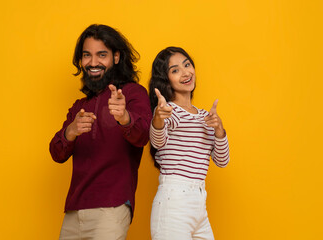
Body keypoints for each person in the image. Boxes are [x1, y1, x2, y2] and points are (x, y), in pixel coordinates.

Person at [49, 24, 152, 240]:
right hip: (74, 211)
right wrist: (70, 131)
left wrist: (124, 117)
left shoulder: (133, 93)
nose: (93, 62)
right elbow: (57, 154)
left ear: (116, 57)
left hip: (112, 207)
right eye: (87, 55)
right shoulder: (79, 106)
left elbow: (143, 136)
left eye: (101, 55)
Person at [148, 47, 230, 240]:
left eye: (187, 65)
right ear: (165, 79)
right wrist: (158, 119)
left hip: (199, 202)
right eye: (175, 70)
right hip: (174, 201)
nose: (185, 72)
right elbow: (157, 141)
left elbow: (222, 160)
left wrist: (219, 131)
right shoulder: (169, 112)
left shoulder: (204, 116)